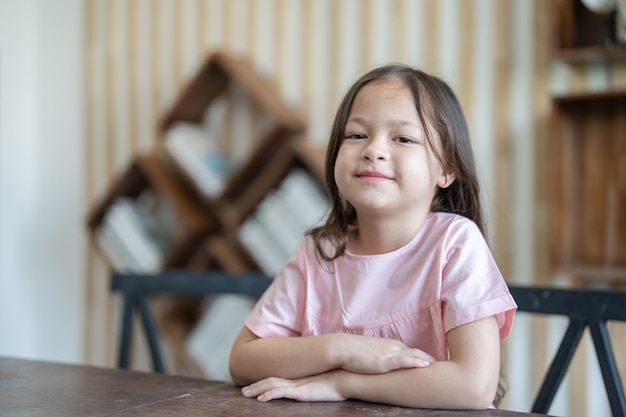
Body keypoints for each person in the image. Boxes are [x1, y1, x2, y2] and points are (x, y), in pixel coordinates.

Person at [228, 64, 517, 410]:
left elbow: (474, 387)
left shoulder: (455, 243)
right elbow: (242, 359)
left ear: (446, 169)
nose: (373, 150)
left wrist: (341, 382)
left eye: (403, 139)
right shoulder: (319, 254)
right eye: (357, 135)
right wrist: (344, 349)